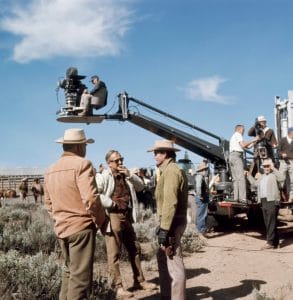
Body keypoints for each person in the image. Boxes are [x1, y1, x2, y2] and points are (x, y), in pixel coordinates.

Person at [44, 128, 106, 300]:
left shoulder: (50, 170)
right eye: (84, 145)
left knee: (69, 272)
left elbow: (48, 203)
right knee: (80, 280)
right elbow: (91, 200)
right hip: (81, 228)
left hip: (61, 228)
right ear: (79, 147)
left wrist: (60, 219)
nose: (85, 149)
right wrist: (102, 221)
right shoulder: (83, 164)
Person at [95, 150, 157, 298]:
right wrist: (111, 204)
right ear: (109, 163)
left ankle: (139, 280)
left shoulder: (126, 175)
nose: (120, 163)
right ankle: (118, 288)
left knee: (134, 247)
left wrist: (130, 174)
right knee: (114, 253)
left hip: (127, 215)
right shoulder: (103, 176)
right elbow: (96, 193)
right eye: (117, 161)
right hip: (113, 215)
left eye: (121, 159)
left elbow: (141, 186)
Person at [148, 139, 188, 300]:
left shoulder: (171, 171)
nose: (155, 156)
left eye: (157, 153)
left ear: (165, 154)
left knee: (174, 264)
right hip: (172, 221)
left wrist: (165, 228)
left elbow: (171, 201)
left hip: (172, 223)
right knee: (164, 258)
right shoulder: (169, 170)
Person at [247, 158, 284, 249]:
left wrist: (273, 168)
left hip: (272, 201)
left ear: (271, 166)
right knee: (268, 222)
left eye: (268, 166)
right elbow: (254, 185)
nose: (266, 168)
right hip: (263, 201)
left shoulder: (274, 175)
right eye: (264, 166)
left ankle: (270, 243)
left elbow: (282, 178)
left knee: (271, 222)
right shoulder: (262, 176)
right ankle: (275, 242)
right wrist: (248, 176)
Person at [229, 124, 259, 203]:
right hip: (237, 156)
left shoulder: (233, 136)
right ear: (239, 129)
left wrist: (255, 141)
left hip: (231, 157)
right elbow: (243, 145)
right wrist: (253, 140)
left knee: (235, 179)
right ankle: (242, 198)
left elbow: (247, 147)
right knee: (241, 178)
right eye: (243, 130)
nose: (243, 132)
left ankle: (236, 198)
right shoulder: (238, 135)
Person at [194, 161, 210, 237]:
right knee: (202, 215)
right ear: (202, 170)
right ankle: (200, 232)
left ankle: (201, 231)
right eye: (205, 169)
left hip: (203, 197)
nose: (206, 171)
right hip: (202, 198)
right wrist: (200, 195)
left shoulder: (201, 177)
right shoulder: (199, 176)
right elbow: (198, 186)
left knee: (203, 214)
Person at [278, 127, 293, 202]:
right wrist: (282, 154)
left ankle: (291, 197)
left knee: (292, 179)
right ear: (290, 133)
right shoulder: (282, 140)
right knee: (281, 179)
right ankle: (279, 195)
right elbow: (278, 151)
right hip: (283, 161)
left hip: (292, 161)